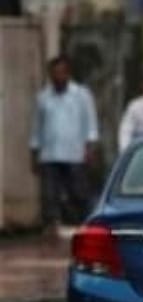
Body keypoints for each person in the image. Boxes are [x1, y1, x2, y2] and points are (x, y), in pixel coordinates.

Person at [29, 55, 98, 235]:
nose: (58, 76)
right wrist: (34, 151)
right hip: (49, 153)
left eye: (62, 72)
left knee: (78, 191)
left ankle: (83, 223)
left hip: (74, 152)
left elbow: (90, 122)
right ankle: (51, 225)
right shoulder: (43, 97)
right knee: (49, 193)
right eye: (55, 73)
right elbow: (37, 126)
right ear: (50, 75)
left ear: (68, 73)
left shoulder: (81, 94)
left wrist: (89, 147)